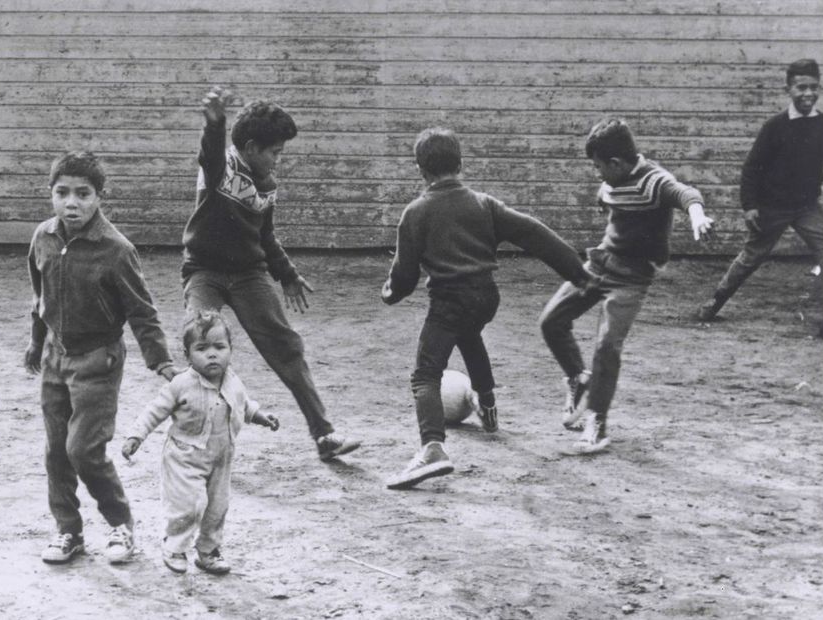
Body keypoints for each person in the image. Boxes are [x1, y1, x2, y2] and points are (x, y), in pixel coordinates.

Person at [381, 127, 597, 490]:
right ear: (461, 164)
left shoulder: (416, 213)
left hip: (448, 301)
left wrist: (391, 292)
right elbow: (535, 233)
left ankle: (432, 448)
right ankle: (488, 406)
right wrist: (577, 272)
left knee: (425, 375)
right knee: (469, 334)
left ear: (420, 170)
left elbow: (405, 275)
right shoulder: (484, 203)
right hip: (485, 298)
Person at [180, 87, 360, 462]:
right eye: (275, 153)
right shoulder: (219, 169)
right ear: (249, 147)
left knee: (287, 347)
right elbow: (209, 152)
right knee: (201, 340)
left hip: (249, 274)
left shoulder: (267, 185)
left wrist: (288, 274)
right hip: (205, 272)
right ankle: (197, 439)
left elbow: (265, 235)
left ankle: (324, 435)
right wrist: (214, 124)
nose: (279, 161)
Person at [25, 151, 177, 565]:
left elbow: (142, 312)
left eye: (82, 194)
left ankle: (121, 524)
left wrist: (160, 361)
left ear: (99, 197)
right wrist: (36, 343)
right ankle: (68, 531)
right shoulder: (43, 237)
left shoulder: (116, 249)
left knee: (83, 450)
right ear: (51, 194)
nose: (71, 203)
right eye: (62, 193)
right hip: (56, 359)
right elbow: (40, 297)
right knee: (56, 450)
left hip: (98, 361)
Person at [540, 119, 715, 456]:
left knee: (607, 345)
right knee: (551, 321)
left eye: (598, 168)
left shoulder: (654, 181)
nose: (597, 174)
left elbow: (686, 193)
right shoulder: (611, 182)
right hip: (600, 264)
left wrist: (696, 216)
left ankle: (597, 422)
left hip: (632, 278)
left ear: (617, 164)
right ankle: (579, 380)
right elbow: (608, 194)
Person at [121, 311, 279, 575]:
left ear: (230, 349)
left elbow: (241, 403)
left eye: (220, 347)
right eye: (202, 348)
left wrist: (259, 415)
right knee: (189, 505)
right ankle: (174, 546)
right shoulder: (180, 384)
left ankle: (208, 551)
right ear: (188, 354)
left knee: (218, 506)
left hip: (221, 457)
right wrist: (136, 435)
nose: (212, 354)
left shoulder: (232, 380)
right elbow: (154, 410)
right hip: (184, 457)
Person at [695, 59, 823, 338]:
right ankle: (713, 303)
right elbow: (751, 168)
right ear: (788, 89)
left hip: (806, 207)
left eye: (814, 87)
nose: (808, 93)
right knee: (750, 258)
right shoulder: (775, 127)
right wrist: (750, 207)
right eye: (801, 87)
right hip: (772, 207)